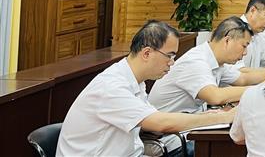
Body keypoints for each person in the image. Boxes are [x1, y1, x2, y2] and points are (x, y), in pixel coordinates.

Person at [57, 20, 234, 157]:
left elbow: (154, 124)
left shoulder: (136, 81)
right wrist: (222, 117)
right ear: (147, 53)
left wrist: (208, 116)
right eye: (169, 56)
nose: (172, 63)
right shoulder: (112, 86)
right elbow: (160, 123)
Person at [149, 16, 265, 113]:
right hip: (164, 132)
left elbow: (243, 78)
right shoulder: (196, 61)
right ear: (227, 40)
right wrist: (263, 90)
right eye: (244, 46)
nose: (245, 52)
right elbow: (215, 96)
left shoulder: (216, 61)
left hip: (186, 124)